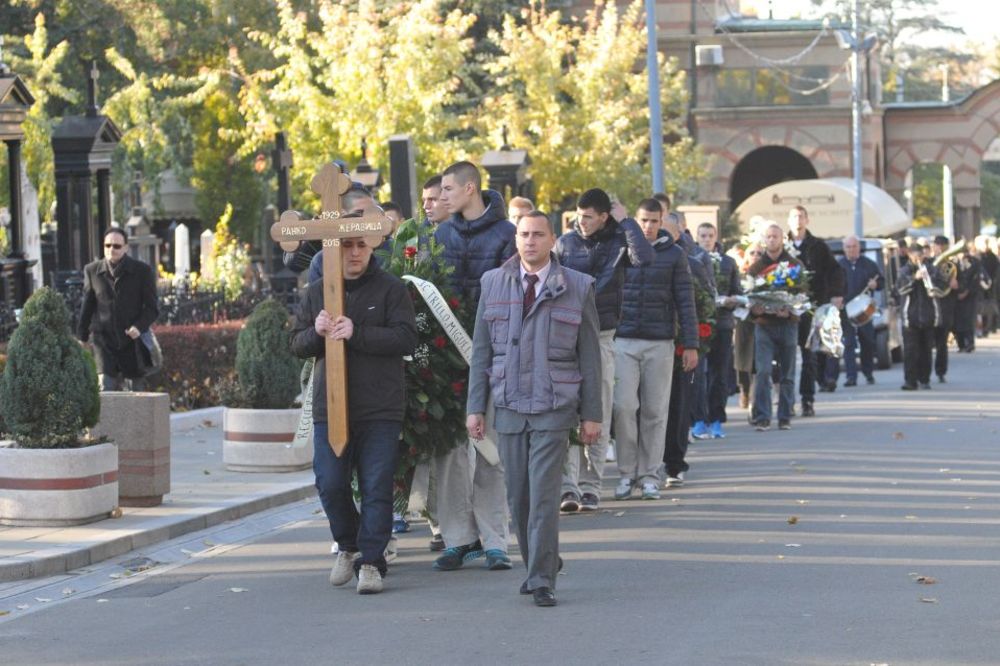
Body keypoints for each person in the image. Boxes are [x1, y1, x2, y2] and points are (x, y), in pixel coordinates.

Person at [466, 210, 602, 607]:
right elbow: (481, 352)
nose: (530, 241)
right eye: (524, 234)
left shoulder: (577, 286)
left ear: (552, 240)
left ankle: (541, 578)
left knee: (543, 495)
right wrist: (476, 407)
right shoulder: (493, 283)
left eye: (538, 234)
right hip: (508, 404)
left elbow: (590, 356)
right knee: (519, 498)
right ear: (516, 239)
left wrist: (592, 414)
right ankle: (542, 561)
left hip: (553, 406)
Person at [290, 226, 418, 595]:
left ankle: (373, 563)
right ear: (334, 249)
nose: (355, 253)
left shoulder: (391, 288)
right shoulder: (316, 292)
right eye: (347, 245)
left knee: (377, 486)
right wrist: (315, 332)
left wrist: (357, 332)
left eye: (361, 245)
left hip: (379, 406)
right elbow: (296, 345)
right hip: (330, 407)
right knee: (330, 483)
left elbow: (406, 338)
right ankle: (348, 545)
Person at [431, 160, 516, 572]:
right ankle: (458, 539)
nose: (441, 197)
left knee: (491, 449)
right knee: (448, 452)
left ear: (469, 189)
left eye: (447, 189)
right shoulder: (440, 235)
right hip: (446, 359)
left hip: (493, 357)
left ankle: (495, 539)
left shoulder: (507, 236)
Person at [554, 188, 654, 512]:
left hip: (602, 335)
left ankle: (591, 485)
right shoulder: (565, 244)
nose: (581, 222)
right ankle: (568, 487)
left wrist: (627, 223)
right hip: (566, 335)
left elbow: (645, 259)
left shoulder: (618, 241)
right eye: (578, 216)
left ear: (603, 216)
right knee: (567, 410)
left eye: (588, 217)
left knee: (599, 409)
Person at [613, 199, 697, 501]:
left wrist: (691, 344)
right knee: (622, 407)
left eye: (653, 221)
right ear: (636, 220)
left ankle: (649, 474)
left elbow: (685, 301)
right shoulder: (622, 248)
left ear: (661, 221)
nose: (648, 226)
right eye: (643, 220)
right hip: (623, 339)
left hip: (661, 341)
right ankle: (626, 472)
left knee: (655, 410)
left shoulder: (675, 255)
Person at [78, 227, 160, 391]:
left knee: (136, 393)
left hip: (132, 341)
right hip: (104, 341)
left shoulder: (142, 271)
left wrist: (139, 327)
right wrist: (82, 336)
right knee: (104, 389)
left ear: (126, 248)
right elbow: (87, 305)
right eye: (107, 245)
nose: (111, 250)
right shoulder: (92, 271)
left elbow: (152, 308)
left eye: (116, 246)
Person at [660, 212, 709, 486]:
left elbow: (702, 304)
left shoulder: (693, 264)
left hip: (680, 348)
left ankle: (675, 462)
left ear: (678, 232)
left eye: (666, 229)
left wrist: (694, 339)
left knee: (679, 405)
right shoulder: (639, 259)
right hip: (653, 341)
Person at [786, 206, 844, 414]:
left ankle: (807, 399)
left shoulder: (818, 246)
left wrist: (835, 294)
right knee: (786, 357)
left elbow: (835, 270)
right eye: (794, 217)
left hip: (812, 307)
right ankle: (787, 400)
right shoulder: (782, 245)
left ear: (807, 220)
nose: (797, 220)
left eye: (801, 217)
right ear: (788, 220)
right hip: (787, 308)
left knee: (809, 354)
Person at [748, 223, 803, 431]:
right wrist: (756, 310)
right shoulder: (756, 267)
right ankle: (762, 416)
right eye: (769, 237)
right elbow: (749, 297)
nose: (772, 240)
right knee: (762, 371)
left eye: (775, 237)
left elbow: (802, 294)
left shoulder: (794, 264)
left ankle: (785, 416)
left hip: (787, 325)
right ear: (765, 240)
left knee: (787, 373)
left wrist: (789, 310)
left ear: (782, 240)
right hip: (764, 326)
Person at [693, 222, 740, 439]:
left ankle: (717, 419)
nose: (706, 239)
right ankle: (699, 419)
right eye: (703, 235)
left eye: (710, 235)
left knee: (719, 375)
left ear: (716, 237)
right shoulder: (691, 260)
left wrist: (732, 300)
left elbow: (737, 292)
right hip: (700, 324)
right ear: (697, 237)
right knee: (698, 375)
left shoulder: (728, 263)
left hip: (722, 323)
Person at [833, 235, 883, 387]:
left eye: (854, 246)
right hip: (845, 310)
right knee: (848, 343)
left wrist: (876, 284)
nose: (851, 250)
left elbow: (881, 281)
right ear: (844, 249)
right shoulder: (838, 266)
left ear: (859, 247)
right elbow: (832, 286)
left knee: (867, 341)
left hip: (865, 310)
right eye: (848, 247)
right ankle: (851, 377)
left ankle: (868, 373)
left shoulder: (869, 264)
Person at [896, 243, 946, 390]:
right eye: (915, 256)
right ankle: (910, 381)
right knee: (910, 351)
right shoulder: (904, 270)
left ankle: (924, 379)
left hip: (928, 315)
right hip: (910, 317)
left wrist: (930, 280)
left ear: (923, 256)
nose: (918, 259)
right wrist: (914, 278)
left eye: (920, 256)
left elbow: (941, 287)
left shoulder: (932, 269)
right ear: (910, 255)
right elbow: (900, 289)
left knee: (926, 350)